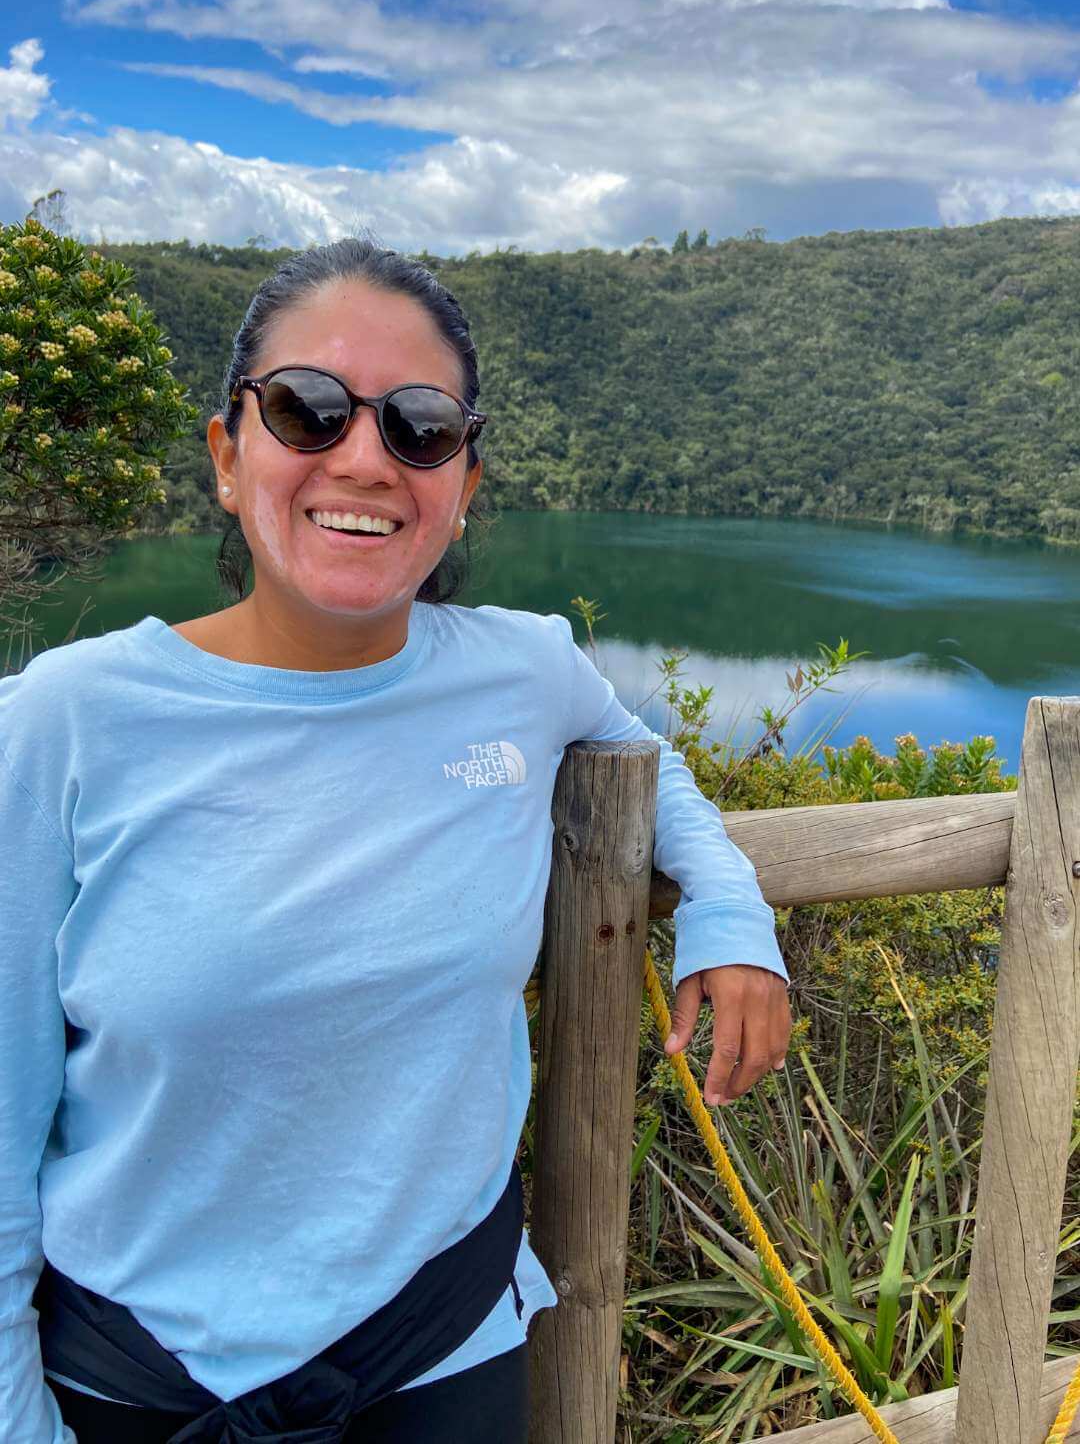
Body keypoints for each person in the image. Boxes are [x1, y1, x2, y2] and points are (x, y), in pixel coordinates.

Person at [0, 237, 791, 1444]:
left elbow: (651, 762)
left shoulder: (521, 668)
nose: (363, 458)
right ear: (228, 454)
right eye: (307, 411)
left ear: (465, 479)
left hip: (443, 1353)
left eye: (419, 427)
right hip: (144, 1381)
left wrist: (731, 917)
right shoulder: (68, 718)